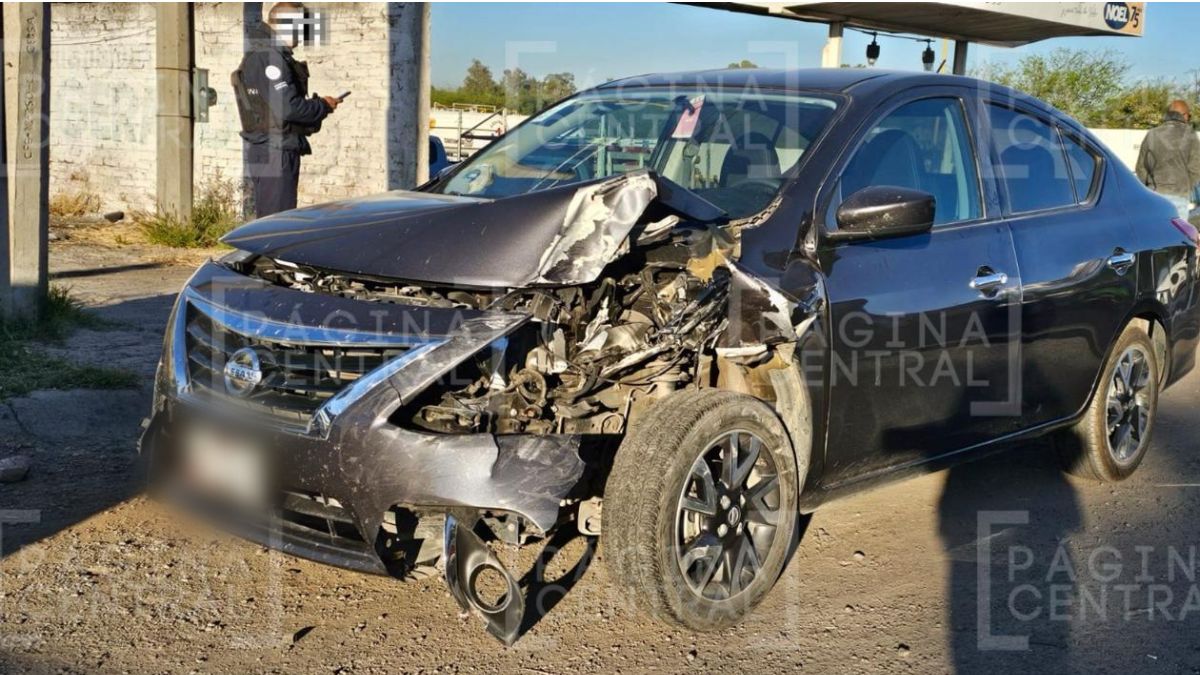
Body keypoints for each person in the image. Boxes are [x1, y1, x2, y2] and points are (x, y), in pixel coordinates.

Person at [232, 2, 340, 218]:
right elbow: (289, 108)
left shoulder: (267, 55)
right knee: (277, 221)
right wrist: (322, 105)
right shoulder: (269, 58)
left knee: (273, 218)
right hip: (275, 151)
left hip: (273, 148)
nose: (302, 34)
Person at [1135, 100, 1200, 218]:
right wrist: (1185, 187)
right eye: (1189, 116)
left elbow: (1141, 168)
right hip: (1179, 197)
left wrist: (1150, 187)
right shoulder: (1190, 135)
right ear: (1185, 115)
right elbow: (1196, 169)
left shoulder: (1152, 134)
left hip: (1154, 195)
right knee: (1177, 230)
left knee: (1155, 229)